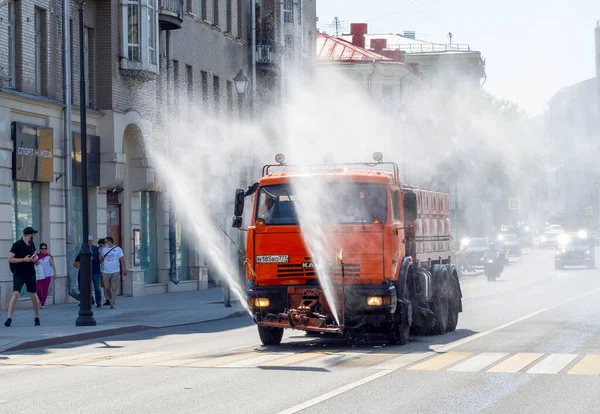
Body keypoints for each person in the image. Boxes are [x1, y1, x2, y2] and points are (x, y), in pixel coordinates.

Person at [5, 227, 40, 327]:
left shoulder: (31, 244)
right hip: (19, 273)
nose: (34, 236)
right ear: (30, 234)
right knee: (15, 294)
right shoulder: (17, 245)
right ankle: (9, 318)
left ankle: (37, 317)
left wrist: (35, 258)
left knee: (34, 296)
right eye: (33, 234)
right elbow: (10, 259)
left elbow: (34, 255)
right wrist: (23, 260)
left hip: (30, 273)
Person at [73, 236, 102, 306]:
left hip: (95, 271)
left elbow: (100, 260)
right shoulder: (83, 250)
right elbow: (75, 262)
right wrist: (80, 267)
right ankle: (85, 301)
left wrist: (93, 258)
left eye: (90, 241)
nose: (89, 242)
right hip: (85, 273)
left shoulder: (97, 249)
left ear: (92, 241)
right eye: (87, 241)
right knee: (84, 288)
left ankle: (98, 302)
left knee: (97, 287)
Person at [100, 237, 127, 309]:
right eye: (105, 242)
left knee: (114, 287)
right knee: (106, 288)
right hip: (106, 271)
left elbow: (122, 259)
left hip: (115, 271)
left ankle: (112, 302)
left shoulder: (118, 249)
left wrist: (124, 269)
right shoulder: (104, 250)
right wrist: (100, 253)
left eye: (106, 242)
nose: (105, 244)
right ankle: (111, 298)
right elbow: (101, 259)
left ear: (110, 241)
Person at [36, 243, 56, 309]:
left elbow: (53, 265)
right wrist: (36, 262)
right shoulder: (37, 256)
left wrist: (55, 273)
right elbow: (33, 263)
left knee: (45, 290)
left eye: (45, 248)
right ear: (40, 249)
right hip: (39, 275)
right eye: (42, 249)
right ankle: (41, 300)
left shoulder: (49, 257)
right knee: (38, 289)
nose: (44, 250)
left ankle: (42, 304)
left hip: (47, 275)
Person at [97, 238, 110, 306]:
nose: (100, 247)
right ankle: (107, 299)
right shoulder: (100, 251)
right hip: (102, 271)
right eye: (99, 246)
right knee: (104, 286)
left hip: (107, 270)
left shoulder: (106, 250)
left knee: (107, 286)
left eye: (101, 245)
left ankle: (109, 299)